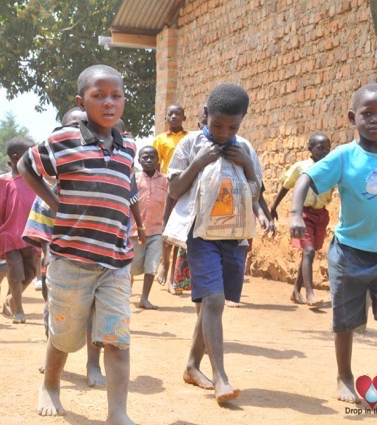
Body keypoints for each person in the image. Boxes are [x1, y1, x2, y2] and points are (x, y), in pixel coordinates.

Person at [19, 64, 142, 424]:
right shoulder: (63, 141)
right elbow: (28, 165)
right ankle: (51, 385)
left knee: (117, 337)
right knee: (65, 334)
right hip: (71, 260)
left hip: (116, 262)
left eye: (116, 96)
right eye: (98, 95)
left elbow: (124, 193)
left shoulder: (129, 147)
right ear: (81, 101)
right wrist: (55, 203)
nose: (109, 102)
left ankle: (117, 412)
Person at [289, 83, 377, 408]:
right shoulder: (345, 156)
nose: (375, 120)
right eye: (367, 114)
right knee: (346, 321)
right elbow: (306, 178)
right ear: (353, 117)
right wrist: (295, 212)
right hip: (348, 253)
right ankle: (344, 376)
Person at [165, 83, 263, 404]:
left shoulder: (245, 148)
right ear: (206, 114)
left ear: (242, 122)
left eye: (232, 126)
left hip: (233, 237)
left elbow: (256, 192)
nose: (223, 132)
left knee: (213, 304)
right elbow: (175, 189)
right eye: (217, 125)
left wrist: (247, 165)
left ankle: (192, 366)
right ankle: (220, 377)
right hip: (200, 233)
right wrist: (199, 162)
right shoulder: (191, 144)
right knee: (215, 301)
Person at [270, 132, 333, 307]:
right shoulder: (302, 167)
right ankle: (310, 294)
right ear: (310, 149)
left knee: (309, 253)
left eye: (328, 149)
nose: (325, 152)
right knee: (309, 251)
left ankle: (296, 291)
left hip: (321, 215)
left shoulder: (331, 168)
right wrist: (273, 207)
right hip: (303, 214)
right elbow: (286, 186)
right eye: (320, 148)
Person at [0, 136, 40, 324]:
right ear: (17, 158)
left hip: (32, 236)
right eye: (31, 155)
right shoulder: (4, 182)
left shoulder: (36, 180)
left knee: (32, 272)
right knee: (16, 273)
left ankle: (10, 300)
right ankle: (19, 310)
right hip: (10, 236)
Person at [153, 104, 189, 294]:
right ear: (165, 118)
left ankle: (173, 279)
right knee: (166, 229)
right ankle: (164, 265)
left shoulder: (190, 137)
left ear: (184, 117)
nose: (173, 116)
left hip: (185, 188)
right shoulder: (160, 140)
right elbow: (156, 166)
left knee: (180, 232)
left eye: (177, 114)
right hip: (167, 188)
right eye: (170, 114)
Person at [130, 145, 168, 309]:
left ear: (158, 160)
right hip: (134, 230)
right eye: (145, 157)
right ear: (139, 160)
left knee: (151, 265)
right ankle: (125, 292)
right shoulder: (134, 179)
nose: (149, 160)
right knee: (132, 265)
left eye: (152, 157)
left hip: (156, 230)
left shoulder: (165, 180)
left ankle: (144, 298)